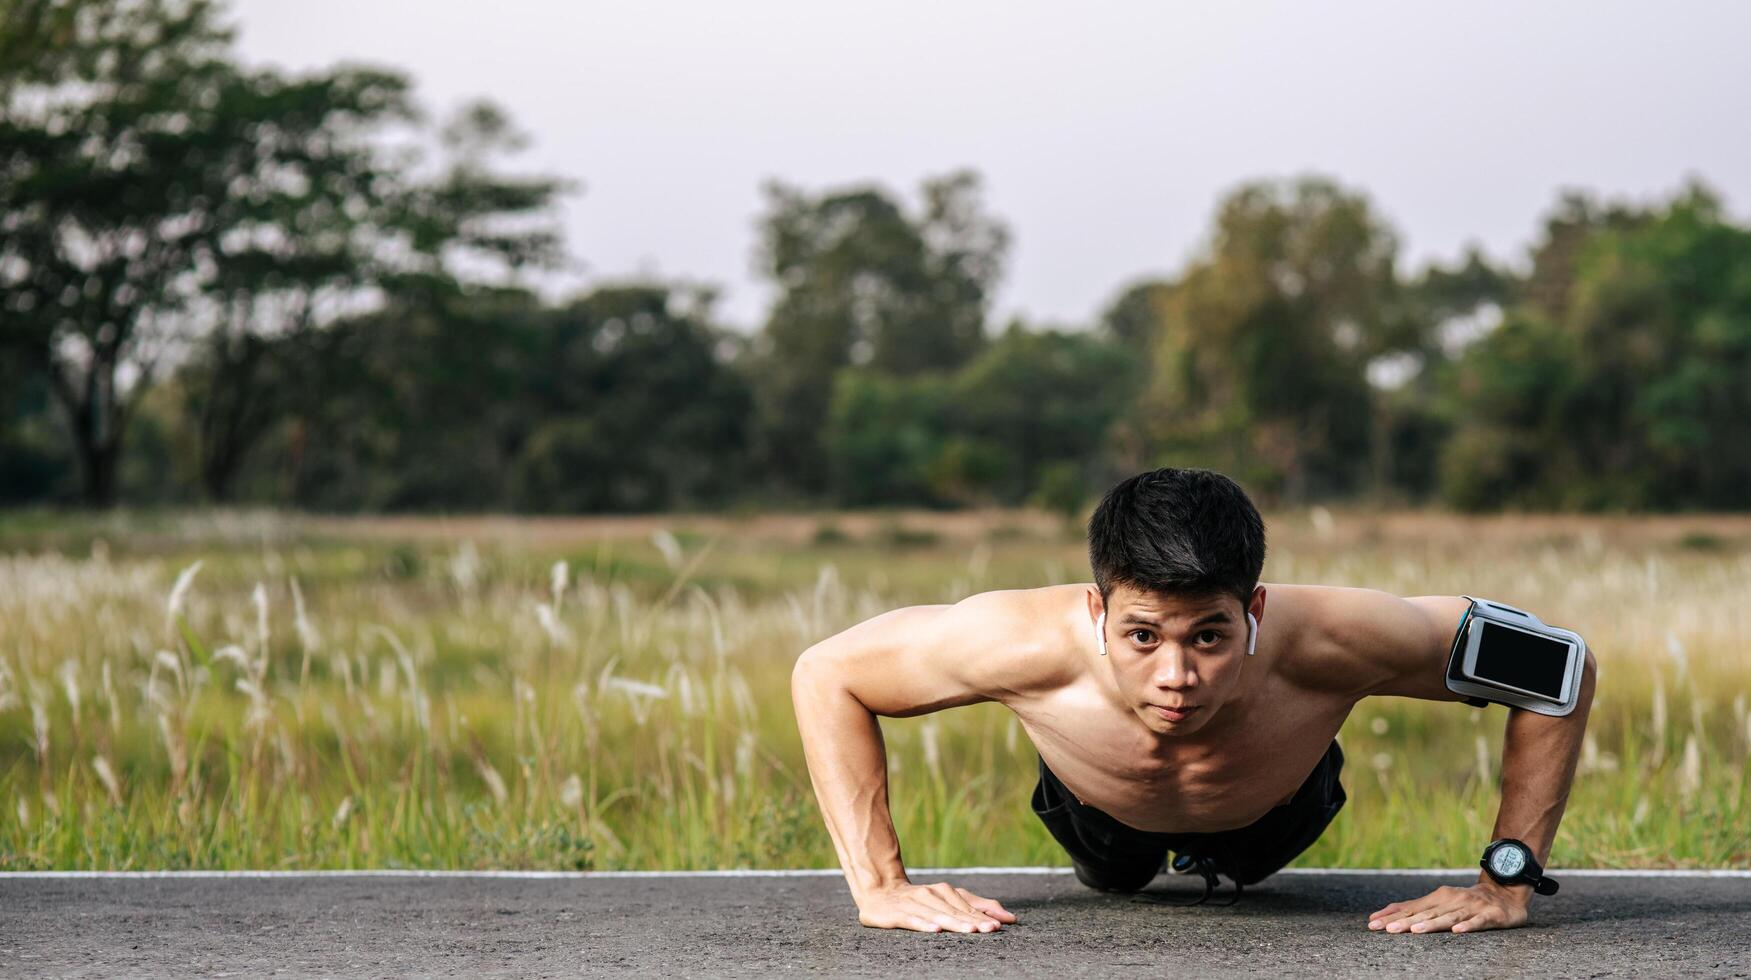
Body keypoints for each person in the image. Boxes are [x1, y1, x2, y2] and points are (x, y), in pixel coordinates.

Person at [790, 467, 1597, 936]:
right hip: (1094, 812)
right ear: (1096, 612)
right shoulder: (1014, 639)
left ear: (1252, 612)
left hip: (1279, 810)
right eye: (1143, 638)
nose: (1175, 676)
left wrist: (1505, 881)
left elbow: (1559, 667)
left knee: (1261, 867)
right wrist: (879, 886)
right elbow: (827, 674)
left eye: (1208, 638)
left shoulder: (1337, 636)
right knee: (1112, 878)